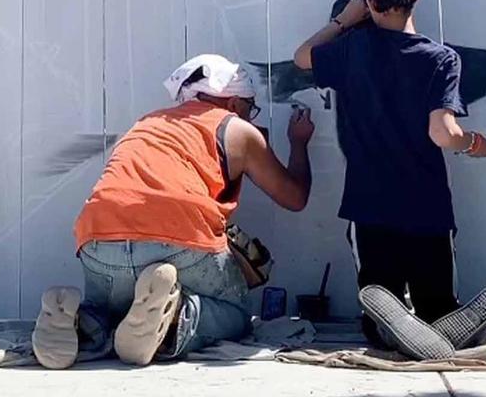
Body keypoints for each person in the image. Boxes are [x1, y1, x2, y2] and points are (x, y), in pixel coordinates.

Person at [31, 54, 315, 369]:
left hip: (98, 242)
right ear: (234, 104)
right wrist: (298, 143)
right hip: (177, 240)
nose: (250, 116)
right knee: (236, 313)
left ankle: (80, 321)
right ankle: (176, 322)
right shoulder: (236, 128)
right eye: (250, 108)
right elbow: (294, 197)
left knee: (115, 311)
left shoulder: (148, 122)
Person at [293, 0, 486, 346]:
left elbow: (302, 57)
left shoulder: (353, 49)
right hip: (426, 205)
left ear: (369, 3)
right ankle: (440, 327)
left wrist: (343, 20)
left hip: (370, 205)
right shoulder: (441, 59)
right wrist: (473, 143)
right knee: (438, 306)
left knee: (379, 305)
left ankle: (390, 330)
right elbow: (443, 133)